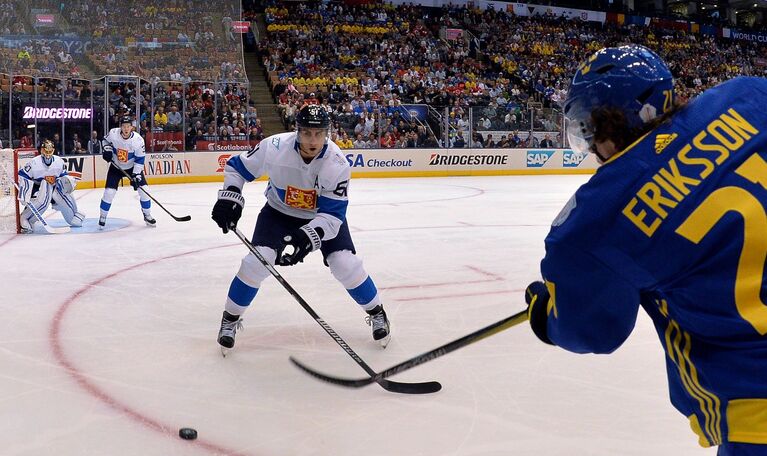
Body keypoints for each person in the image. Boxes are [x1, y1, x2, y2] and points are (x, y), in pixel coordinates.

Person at [524, 44, 767, 454]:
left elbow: (594, 331)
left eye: (589, 128)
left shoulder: (600, 215)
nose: (589, 142)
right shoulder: (748, 94)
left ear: (610, 125)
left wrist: (547, 316)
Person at [211, 104, 391, 354]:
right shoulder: (274, 147)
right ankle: (230, 319)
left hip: (321, 217)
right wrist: (230, 197)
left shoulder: (336, 163)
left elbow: (333, 215)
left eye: (319, 133)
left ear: (327, 133)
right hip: (278, 213)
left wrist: (308, 238)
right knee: (255, 263)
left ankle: (377, 313)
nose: (313, 140)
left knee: (344, 263)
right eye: (307, 133)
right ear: (297, 131)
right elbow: (236, 168)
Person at [98, 115, 155, 228]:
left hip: (132, 168)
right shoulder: (113, 133)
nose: (125, 129)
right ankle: (102, 216)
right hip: (116, 167)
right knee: (109, 192)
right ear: (121, 127)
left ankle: (147, 214)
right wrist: (107, 150)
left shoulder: (138, 140)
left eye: (128, 126)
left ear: (132, 127)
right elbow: (105, 140)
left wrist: (136, 175)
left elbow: (140, 159)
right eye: (123, 126)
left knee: (144, 190)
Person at [16, 139, 84, 233]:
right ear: (42, 150)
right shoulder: (34, 163)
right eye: (45, 151)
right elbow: (22, 175)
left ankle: (73, 214)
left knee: (65, 200)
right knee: (43, 201)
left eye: (49, 151)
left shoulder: (59, 161)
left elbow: (63, 177)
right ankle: (25, 218)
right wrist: (24, 191)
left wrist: (67, 182)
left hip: (53, 187)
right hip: (37, 188)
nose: (48, 154)